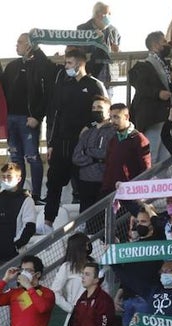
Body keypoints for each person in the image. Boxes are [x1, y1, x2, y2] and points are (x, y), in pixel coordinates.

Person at [44, 48, 107, 230]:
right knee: (54, 183)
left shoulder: (95, 84)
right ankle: (48, 221)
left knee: (83, 186)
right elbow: (54, 116)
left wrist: (89, 127)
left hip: (83, 145)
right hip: (61, 143)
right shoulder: (63, 85)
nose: (66, 67)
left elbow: (103, 113)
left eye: (69, 63)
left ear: (80, 64)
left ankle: (83, 222)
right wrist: (51, 143)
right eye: (65, 63)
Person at [2, 34, 53, 201]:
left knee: (32, 156)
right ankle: (17, 193)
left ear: (30, 45)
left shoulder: (39, 67)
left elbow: (46, 95)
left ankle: (36, 195)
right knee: (15, 157)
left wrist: (37, 116)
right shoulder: (11, 66)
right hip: (10, 118)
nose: (16, 45)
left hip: (28, 119)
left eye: (20, 42)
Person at [128, 32, 172, 164]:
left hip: (164, 116)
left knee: (165, 157)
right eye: (164, 42)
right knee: (151, 155)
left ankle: (161, 183)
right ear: (155, 45)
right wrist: (158, 93)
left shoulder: (164, 65)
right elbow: (141, 86)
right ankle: (147, 183)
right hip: (153, 117)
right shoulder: (144, 65)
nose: (167, 44)